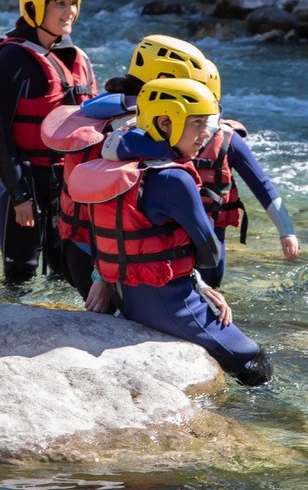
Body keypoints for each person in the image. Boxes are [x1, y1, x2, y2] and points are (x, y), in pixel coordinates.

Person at [68, 78, 272, 386]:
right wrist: (199, 280)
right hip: (169, 301)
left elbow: (110, 236)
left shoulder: (120, 164)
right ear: (165, 122)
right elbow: (210, 254)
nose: (207, 133)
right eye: (199, 123)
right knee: (254, 360)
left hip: (127, 295)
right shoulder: (174, 178)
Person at [100, 35, 300, 287]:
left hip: (208, 241)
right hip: (162, 247)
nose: (203, 130)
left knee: (210, 290)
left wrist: (287, 231)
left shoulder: (225, 138)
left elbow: (262, 185)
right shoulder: (144, 134)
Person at [0, 0, 96, 285]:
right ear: (34, 6)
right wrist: (19, 196)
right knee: (19, 273)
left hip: (64, 181)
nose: (69, 12)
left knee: (65, 273)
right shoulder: (13, 58)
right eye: (59, 4)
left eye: (73, 4)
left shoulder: (72, 56)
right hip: (25, 178)